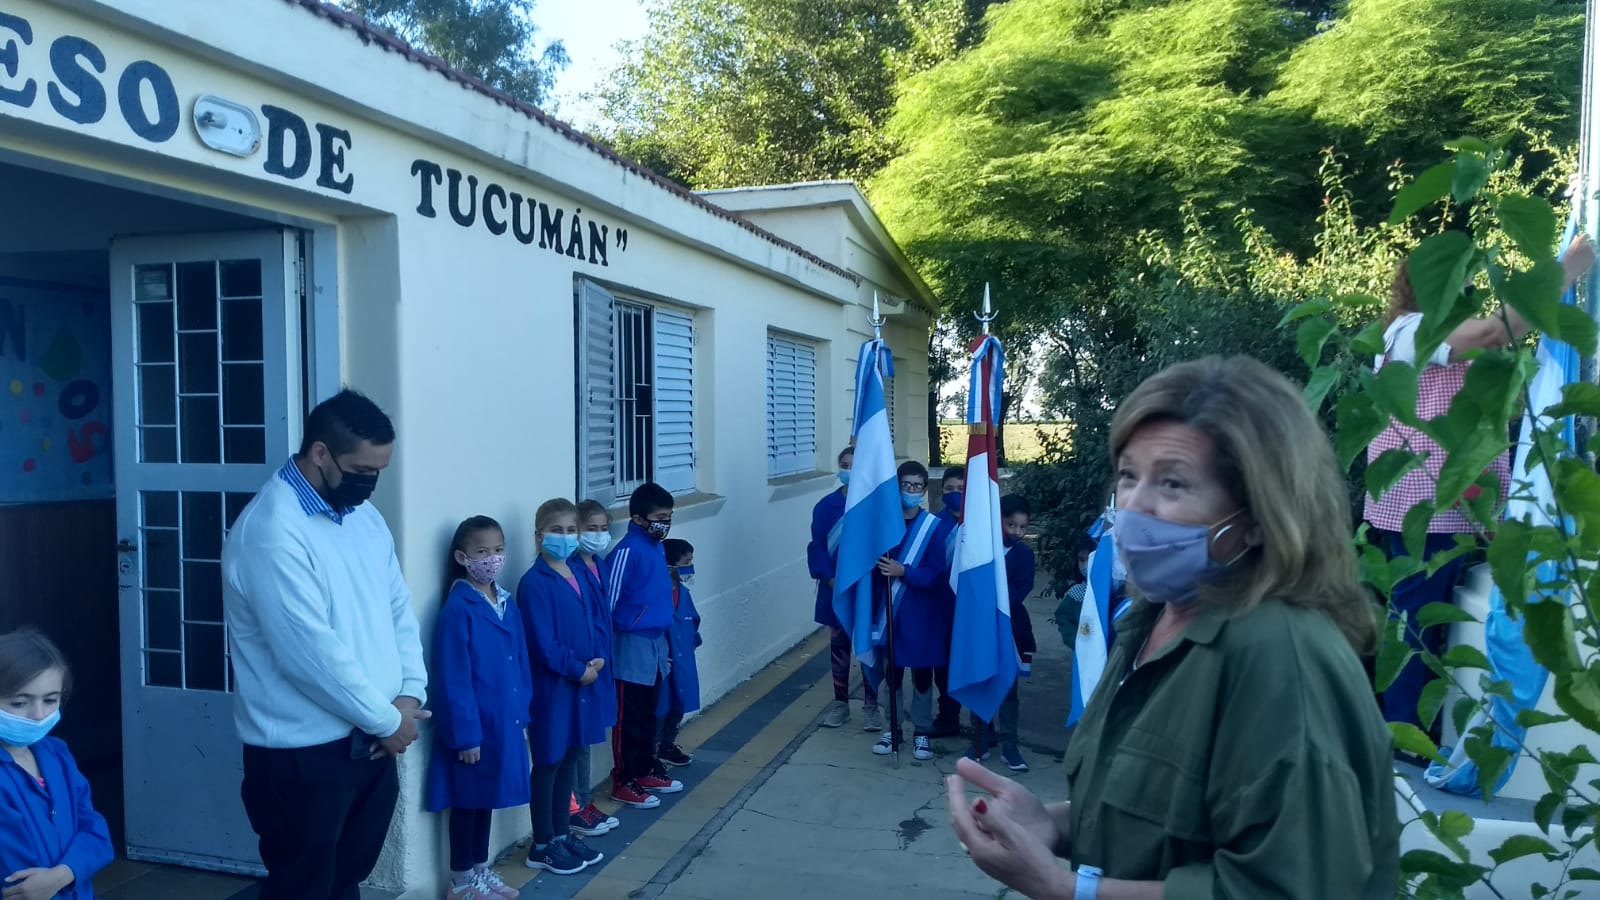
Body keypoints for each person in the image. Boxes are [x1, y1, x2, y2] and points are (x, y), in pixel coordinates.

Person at [947, 356, 1398, 898]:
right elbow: (1157, 820)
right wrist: (1052, 824)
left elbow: (1291, 888)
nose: (1134, 506)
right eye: (1128, 476)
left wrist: (1069, 890)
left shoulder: (1283, 655)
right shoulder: (1149, 618)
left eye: (1173, 483)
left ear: (1259, 517)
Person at [1367, 234, 1595, 738]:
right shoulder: (1412, 330)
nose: (1467, 285)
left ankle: (1411, 735)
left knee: (1426, 617)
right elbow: (1495, 333)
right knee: (1417, 621)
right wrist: (1564, 270)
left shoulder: (1423, 331)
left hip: (1452, 502)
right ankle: (1402, 738)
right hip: (1427, 502)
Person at [222, 389, 429, 900]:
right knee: (303, 888)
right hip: (303, 755)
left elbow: (397, 608)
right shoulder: (272, 531)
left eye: (379, 470)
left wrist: (409, 692)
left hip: (372, 740)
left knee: (345, 881)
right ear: (320, 453)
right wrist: (388, 721)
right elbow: (309, 655)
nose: (370, 482)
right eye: (361, 470)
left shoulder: (362, 516)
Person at [424, 518, 530, 900]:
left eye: (498, 550)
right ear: (462, 557)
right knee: (467, 802)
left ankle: (481, 870)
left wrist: (522, 713)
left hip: (502, 722)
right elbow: (453, 677)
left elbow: (520, 661)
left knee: (486, 798)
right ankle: (461, 880)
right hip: (475, 729)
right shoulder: (459, 607)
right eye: (482, 552)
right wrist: (466, 734)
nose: (492, 559)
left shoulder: (505, 602)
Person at [516, 500, 609, 875]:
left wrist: (597, 658)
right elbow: (543, 643)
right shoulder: (535, 583)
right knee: (548, 761)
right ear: (539, 536)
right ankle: (542, 844)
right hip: (553, 689)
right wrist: (576, 668)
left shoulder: (577, 572)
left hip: (580, 684)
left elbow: (594, 619)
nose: (566, 538)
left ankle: (561, 832)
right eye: (557, 531)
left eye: (572, 531)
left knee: (570, 757)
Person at [0, 629, 111, 900]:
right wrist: (74, 870)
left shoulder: (56, 754)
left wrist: (62, 874)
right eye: (19, 702)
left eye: (50, 700)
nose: (38, 714)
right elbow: (19, 881)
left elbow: (96, 833)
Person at [605, 483, 684, 808]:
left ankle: (644, 770)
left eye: (669, 517)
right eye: (660, 518)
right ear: (638, 519)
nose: (665, 524)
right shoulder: (627, 552)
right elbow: (608, 602)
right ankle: (623, 779)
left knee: (650, 712)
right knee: (630, 716)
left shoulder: (656, 548)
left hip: (655, 643)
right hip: (630, 643)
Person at [871, 461, 952, 761]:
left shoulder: (933, 527)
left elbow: (936, 573)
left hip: (922, 614)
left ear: (924, 490)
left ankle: (921, 732)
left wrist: (904, 571)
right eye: (906, 485)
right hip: (891, 613)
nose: (911, 490)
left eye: (917, 486)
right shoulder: (885, 525)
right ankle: (892, 729)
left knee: (921, 676)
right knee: (891, 675)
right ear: (897, 487)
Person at [808, 446, 883, 732]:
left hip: (868, 590)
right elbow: (816, 547)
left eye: (855, 464)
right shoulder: (825, 506)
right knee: (839, 648)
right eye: (845, 465)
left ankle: (872, 705)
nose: (849, 470)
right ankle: (841, 704)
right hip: (836, 589)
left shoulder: (876, 507)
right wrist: (829, 578)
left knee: (869, 647)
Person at [968, 495, 1036, 773]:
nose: (1017, 532)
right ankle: (980, 739)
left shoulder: (1025, 555)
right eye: (1011, 525)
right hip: (979, 626)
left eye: (1023, 527)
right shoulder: (981, 549)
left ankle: (1010, 745)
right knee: (980, 682)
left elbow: (1022, 588)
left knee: (1008, 689)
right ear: (999, 521)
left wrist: (996, 601)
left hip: (1010, 627)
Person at [568, 499, 620, 838]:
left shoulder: (599, 564)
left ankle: (584, 802)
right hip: (580, 667)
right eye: (591, 528)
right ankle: (576, 806)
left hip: (599, 662)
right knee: (576, 742)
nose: (598, 535)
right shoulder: (571, 569)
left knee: (587, 738)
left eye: (603, 528)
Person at [656, 539, 703, 768]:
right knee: (659, 709)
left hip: (683, 661)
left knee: (679, 705)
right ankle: (653, 753)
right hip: (664, 663)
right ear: (669, 566)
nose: (690, 566)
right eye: (686, 562)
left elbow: (693, 622)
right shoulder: (657, 595)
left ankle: (667, 745)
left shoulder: (684, 594)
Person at [936, 464, 966, 528]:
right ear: (942, 491)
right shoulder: (933, 524)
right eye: (949, 488)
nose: (955, 492)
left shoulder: (981, 521)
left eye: (961, 488)